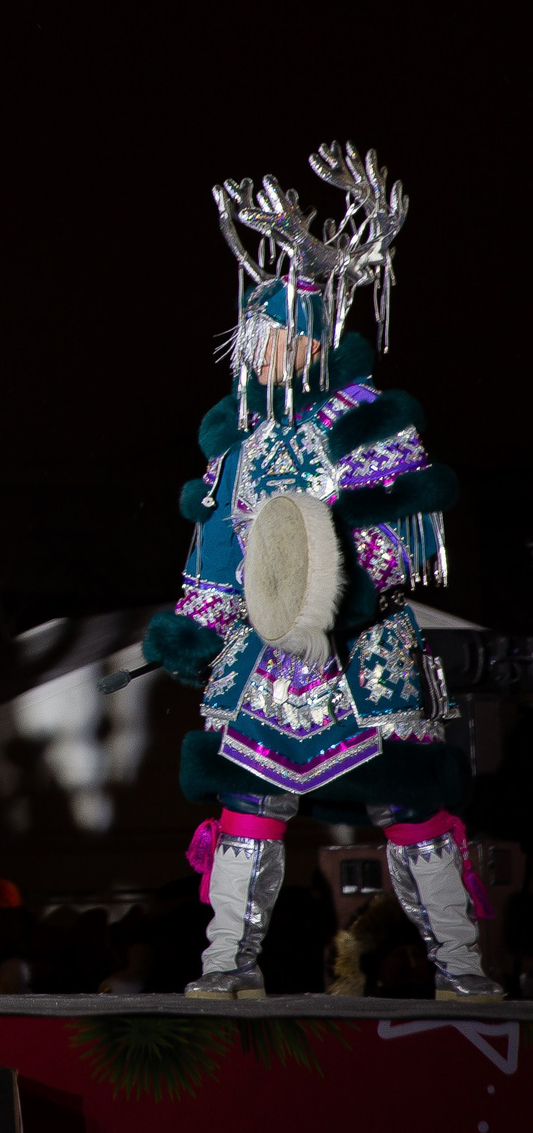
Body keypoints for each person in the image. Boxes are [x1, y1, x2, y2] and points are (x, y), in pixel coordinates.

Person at [144, 149, 497, 1000]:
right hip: (266, 664)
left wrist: (342, 591)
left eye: (272, 341)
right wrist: (198, 629)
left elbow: (395, 534)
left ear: (311, 340)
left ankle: (461, 968)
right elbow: (220, 563)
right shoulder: (238, 452)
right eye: (251, 344)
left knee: (411, 811)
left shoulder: (364, 422)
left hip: (361, 653)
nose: (256, 357)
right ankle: (226, 965)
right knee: (245, 810)